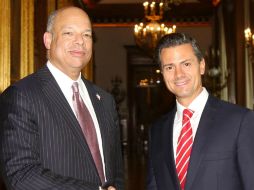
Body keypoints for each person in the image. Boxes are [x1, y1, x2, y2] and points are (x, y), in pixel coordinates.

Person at [0, 6, 124, 190]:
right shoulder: (22, 96)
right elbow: (21, 174)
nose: (80, 41)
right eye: (69, 33)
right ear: (48, 40)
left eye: (87, 35)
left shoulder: (105, 100)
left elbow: (116, 173)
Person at [147, 32, 254, 190]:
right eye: (169, 67)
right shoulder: (157, 130)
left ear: (202, 65)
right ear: (163, 74)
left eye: (186, 64)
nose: (179, 74)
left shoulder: (240, 121)